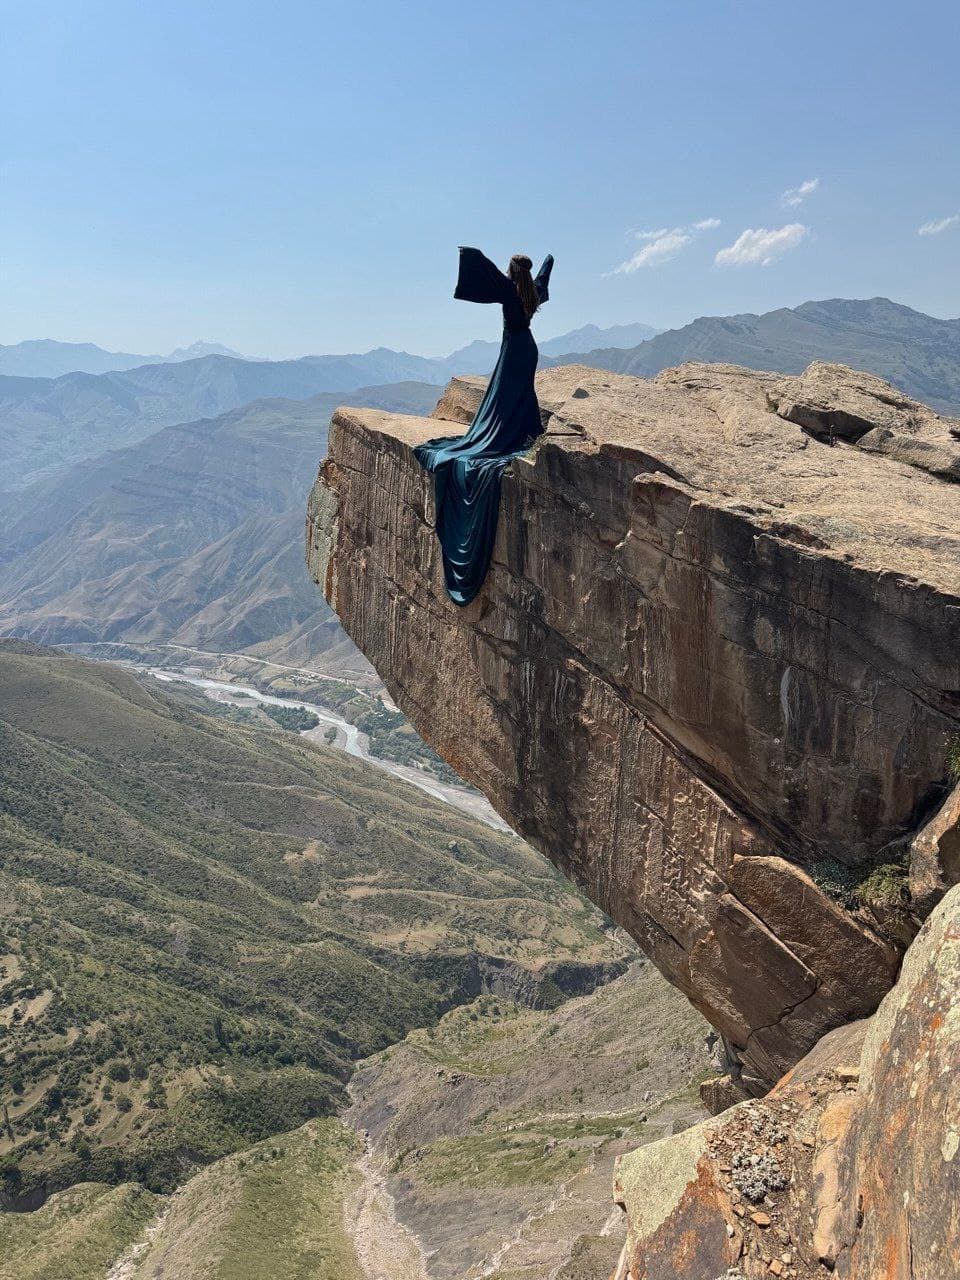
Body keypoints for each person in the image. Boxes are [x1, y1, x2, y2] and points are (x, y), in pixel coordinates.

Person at [414, 246, 554, 606]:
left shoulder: (509, 291)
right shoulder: (532, 293)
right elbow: (543, 277)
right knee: (522, 390)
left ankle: (505, 430)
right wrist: (547, 262)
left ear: (510, 271)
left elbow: (486, 278)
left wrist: (470, 256)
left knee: (506, 394)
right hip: (529, 348)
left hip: (512, 348)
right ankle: (525, 428)